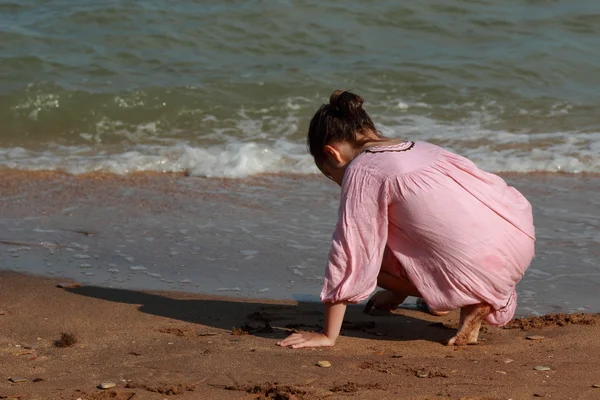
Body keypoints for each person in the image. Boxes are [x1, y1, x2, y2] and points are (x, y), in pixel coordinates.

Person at [277, 90, 535, 348]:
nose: (339, 183)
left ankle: (468, 298)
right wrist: (396, 293)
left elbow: (351, 252)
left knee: (370, 258)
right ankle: (444, 296)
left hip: (475, 268)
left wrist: (327, 335)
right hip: (516, 242)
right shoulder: (422, 148)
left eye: (333, 177)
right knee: (397, 226)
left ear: (333, 154)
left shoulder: (363, 169)